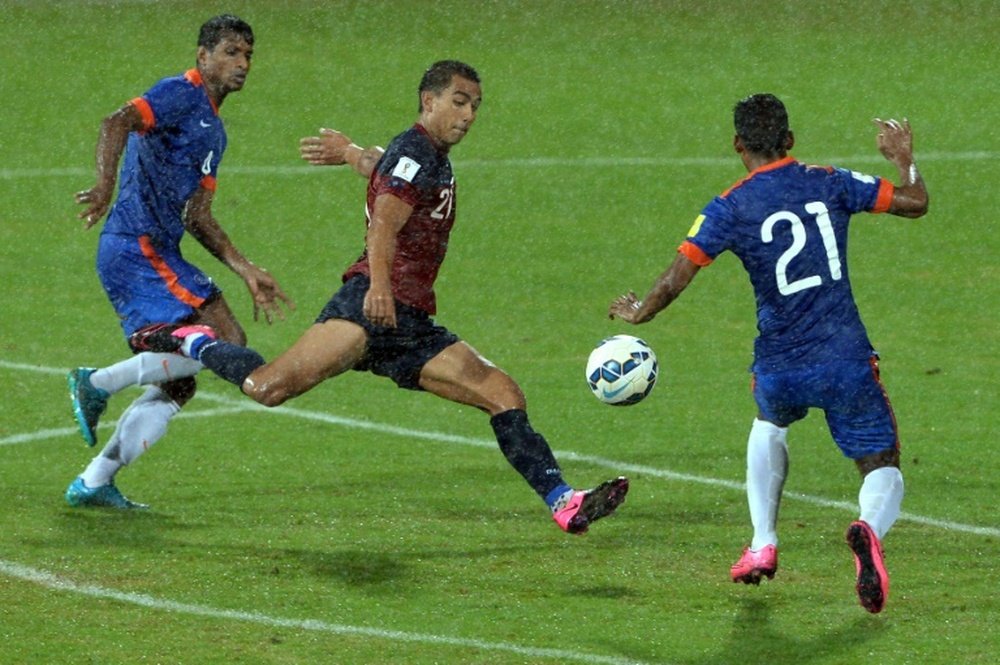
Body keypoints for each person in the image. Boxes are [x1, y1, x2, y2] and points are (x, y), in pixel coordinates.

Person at [139, 60, 629, 534]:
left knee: (502, 393)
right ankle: (191, 340)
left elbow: (382, 168)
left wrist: (350, 151)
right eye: (458, 102)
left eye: (476, 106)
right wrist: (377, 286)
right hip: (368, 308)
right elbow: (385, 227)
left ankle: (565, 503)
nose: (468, 116)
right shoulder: (416, 152)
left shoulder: (422, 156)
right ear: (428, 100)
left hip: (409, 321)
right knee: (267, 389)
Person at [608, 94, 928, 612]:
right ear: (791, 140)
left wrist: (641, 312)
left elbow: (678, 273)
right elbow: (915, 201)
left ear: (738, 145)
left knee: (768, 424)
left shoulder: (729, 206)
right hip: (845, 356)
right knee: (880, 462)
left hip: (780, 364)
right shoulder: (831, 180)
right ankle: (867, 529)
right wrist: (902, 159)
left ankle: (762, 543)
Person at [66, 15, 293, 509]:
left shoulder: (215, 131)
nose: (242, 64)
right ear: (203, 56)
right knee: (210, 345)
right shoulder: (179, 94)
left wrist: (245, 267)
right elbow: (116, 120)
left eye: (248, 54)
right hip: (135, 245)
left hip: (161, 249)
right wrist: (105, 184)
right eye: (231, 52)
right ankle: (99, 382)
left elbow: (197, 215)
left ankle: (94, 481)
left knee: (208, 361)